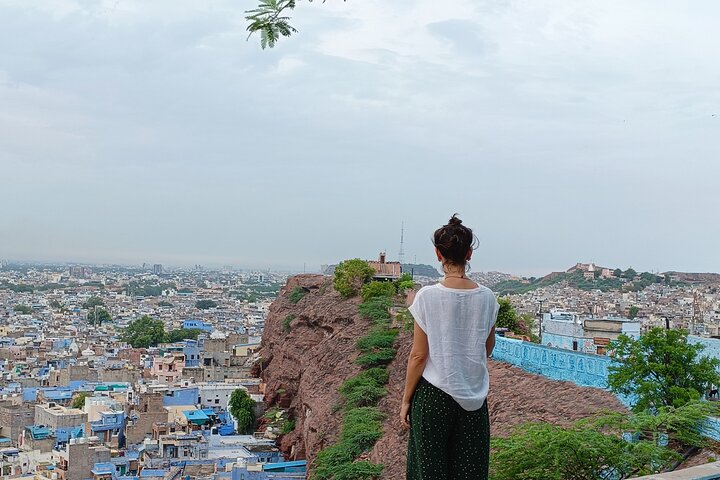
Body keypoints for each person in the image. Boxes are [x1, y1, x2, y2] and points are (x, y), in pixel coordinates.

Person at [401, 214, 499, 480]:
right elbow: (487, 349)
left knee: (429, 472)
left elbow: (419, 355)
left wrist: (407, 399)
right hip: (474, 398)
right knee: (470, 471)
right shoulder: (487, 298)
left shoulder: (427, 297)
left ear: (437, 254)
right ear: (469, 253)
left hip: (433, 396)